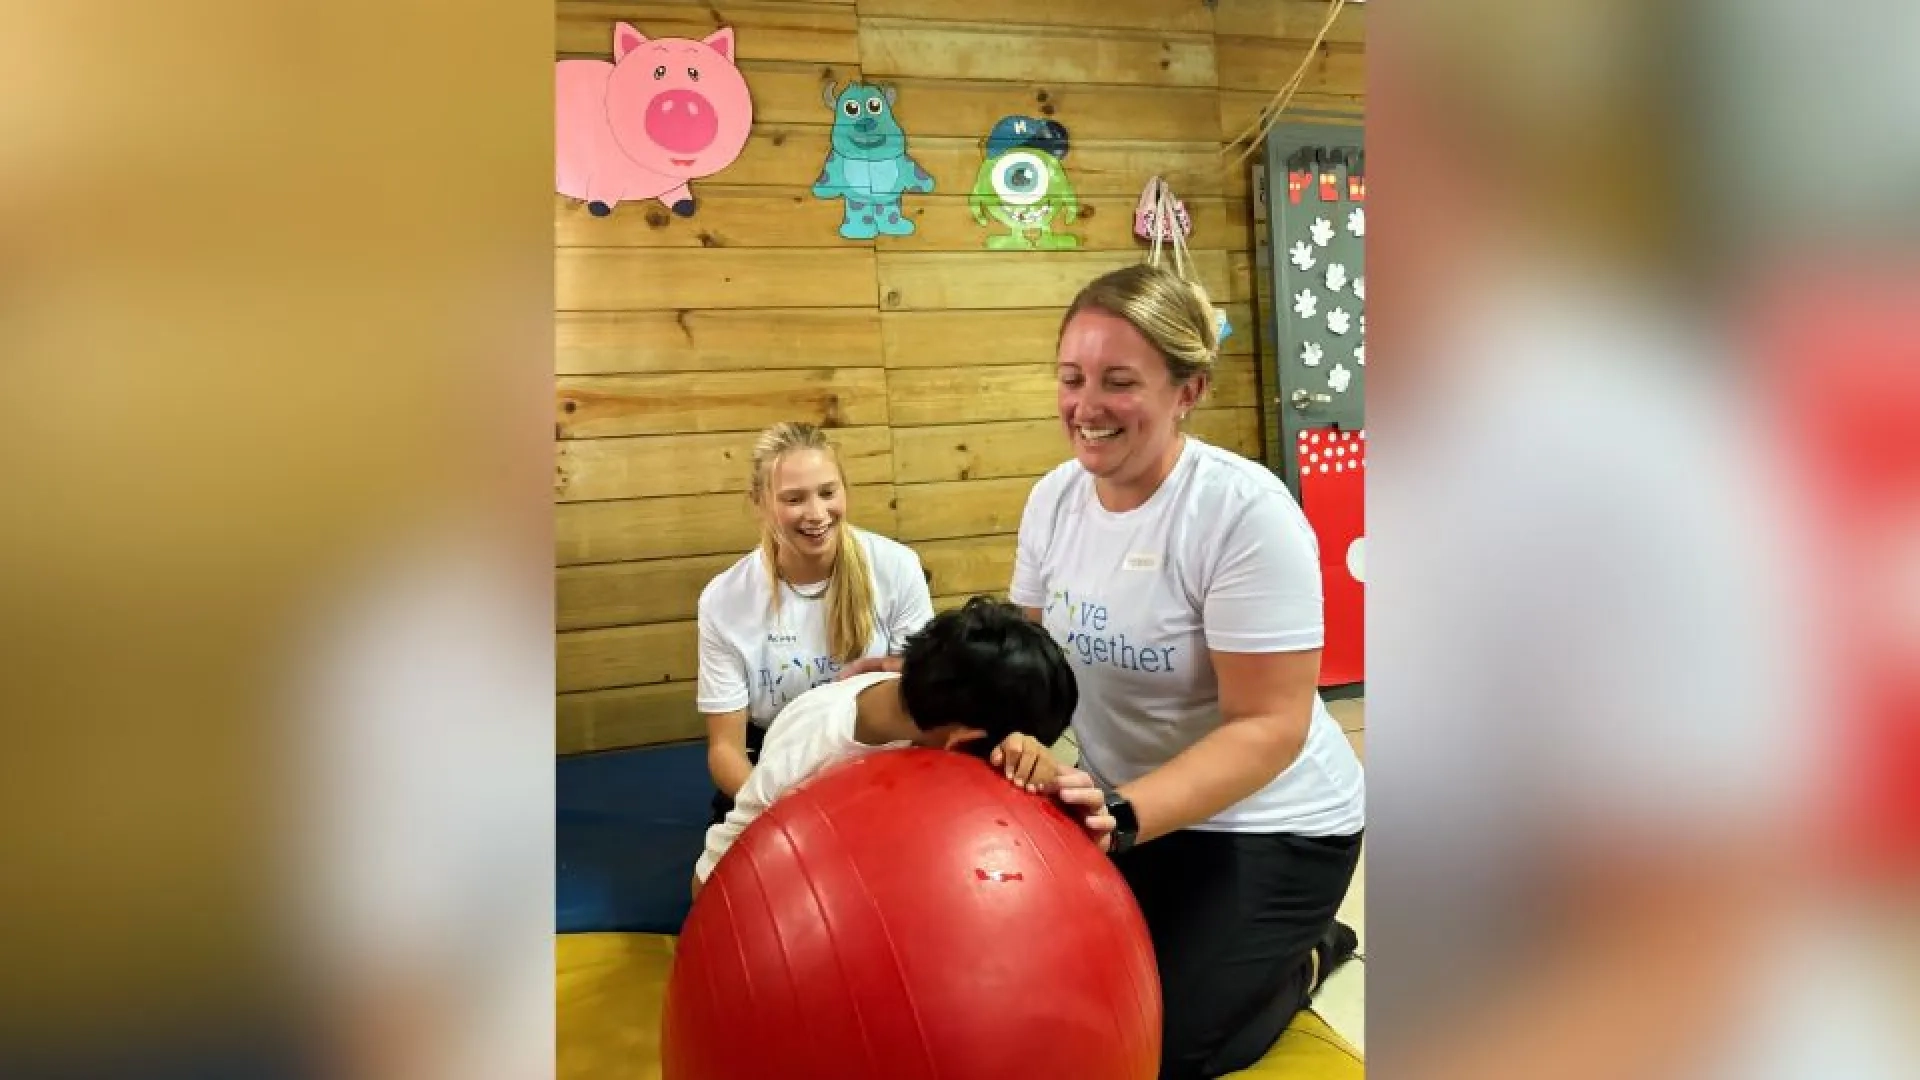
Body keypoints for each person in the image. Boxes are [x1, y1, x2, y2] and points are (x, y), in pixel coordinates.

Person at [998, 263, 1366, 1080]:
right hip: (1129, 809)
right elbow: (1029, 662)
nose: (1086, 407)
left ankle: (1312, 949)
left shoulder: (1242, 514)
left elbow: (1269, 727)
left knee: (1160, 1047)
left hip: (1271, 824)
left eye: (1119, 381)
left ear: (1187, 391)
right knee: (1053, 1009)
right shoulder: (1054, 500)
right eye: (1072, 378)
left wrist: (1124, 815)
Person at [692, 597, 1082, 896]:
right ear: (962, 742)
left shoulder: (923, 702)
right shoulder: (800, 764)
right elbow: (710, 879)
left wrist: (1030, 765)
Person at [696, 422, 935, 825]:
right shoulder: (724, 599)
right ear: (760, 502)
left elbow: (923, 707)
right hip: (773, 770)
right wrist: (785, 813)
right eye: (794, 499)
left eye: (828, 493)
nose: (817, 514)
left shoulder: (896, 567)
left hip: (874, 761)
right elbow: (726, 750)